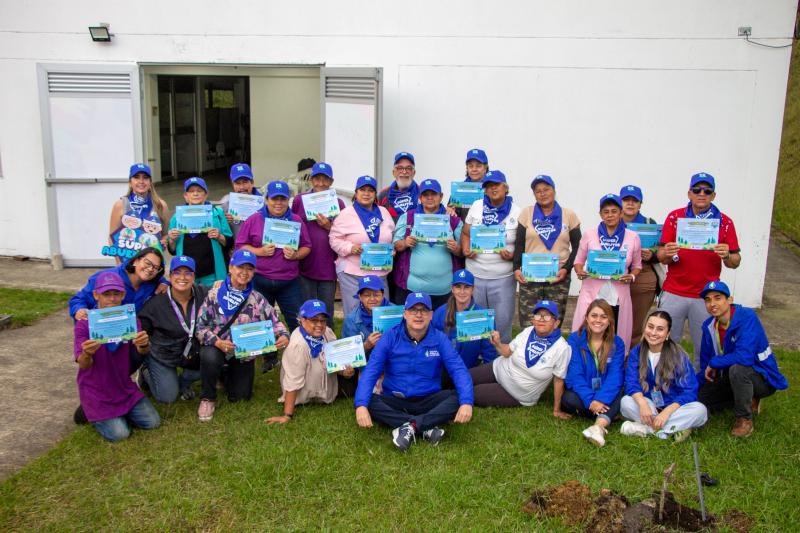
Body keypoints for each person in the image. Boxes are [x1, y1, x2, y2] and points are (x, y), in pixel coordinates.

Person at [354, 292, 474, 452]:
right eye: (413, 310)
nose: (418, 315)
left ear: (431, 315)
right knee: (369, 401)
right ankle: (426, 426)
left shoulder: (439, 338)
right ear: (405, 313)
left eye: (423, 310)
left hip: (428, 400)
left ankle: (409, 427)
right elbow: (371, 371)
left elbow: (458, 369)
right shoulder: (390, 337)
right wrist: (361, 405)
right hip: (396, 399)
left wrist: (466, 403)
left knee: (458, 397)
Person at [195, 249, 290, 422]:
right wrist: (217, 342)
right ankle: (208, 398)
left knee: (240, 397)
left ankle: (223, 376)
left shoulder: (257, 299)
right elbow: (199, 327)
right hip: (217, 348)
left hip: (243, 355)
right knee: (209, 357)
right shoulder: (214, 295)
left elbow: (276, 322)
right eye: (240, 267)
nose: (244, 273)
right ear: (230, 268)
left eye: (249, 269)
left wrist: (283, 335)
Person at [657, 172, 741, 362]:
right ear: (689, 193)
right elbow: (662, 257)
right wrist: (667, 253)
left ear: (713, 195)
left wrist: (727, 254)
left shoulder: (725, 222)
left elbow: (735, 261)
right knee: (666, 342)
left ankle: (703, 386)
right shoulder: (675, 217)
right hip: (674, 291)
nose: (701, 193)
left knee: (705, 345)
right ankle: (667, 383)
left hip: (706, 296)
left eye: (707, 190)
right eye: (697, 190)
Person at [72, 271, 160, 442]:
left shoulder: (130, 320)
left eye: (116, 294)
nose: (112, 299)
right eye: (106, 294)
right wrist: (87, 353)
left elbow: (141, 353)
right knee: (121, 434)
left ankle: (115, 414)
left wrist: (143, 344)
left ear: (123, 294)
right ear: (96, 295)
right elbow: (83, 364)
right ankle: (89, 410)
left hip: (123, 386)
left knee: (152, 422)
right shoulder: (84, 324)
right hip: (96, 389)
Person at [696, 281, 788, 437]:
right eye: (708, 300)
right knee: (701, 400)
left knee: (738, 369)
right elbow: (705, 362)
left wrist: (714, 363)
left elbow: (744, 357)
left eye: (717, 298)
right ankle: (745, 397)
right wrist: (695, 387)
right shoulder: (709, 326)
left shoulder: (747, 316)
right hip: (731, 376)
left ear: (729, 300)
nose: (712, 303)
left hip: (761, 378)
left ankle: (744, 419)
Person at [235, 180, 311, 333]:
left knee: (297, 321)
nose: (278, 203)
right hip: (260, 280)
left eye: (282, 199)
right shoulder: (254, 219)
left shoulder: (296, 220)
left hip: (289, 282)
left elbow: (307, 246)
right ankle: (270, 357)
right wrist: (259, 251)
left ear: (287, 200)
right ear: (266, 199)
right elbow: (240, 246)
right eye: (274, 199)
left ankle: (299, 353)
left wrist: (296, 255)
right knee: (261, 322)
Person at [620, 310, 708, 441]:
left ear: (668, 334)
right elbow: (631, 382)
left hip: (674, 408)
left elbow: (690, 390)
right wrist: (642, 403)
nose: (653, 333)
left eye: (660, 329)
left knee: (700, 411)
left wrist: (667, 412)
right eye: (650, 327)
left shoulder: (678, 355)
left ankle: (647, 429)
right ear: (645, 328)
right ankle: (670, 430)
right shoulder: (636, 352)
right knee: (625, 402)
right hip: (649, 405)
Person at [266, 300, 356, 424]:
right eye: (314, 320)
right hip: (307, 392)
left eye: (323, 320)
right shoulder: (298, 346)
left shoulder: (327, 332)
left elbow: (334, 360)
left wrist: (343, 371)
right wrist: (287, 415)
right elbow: (293, 381)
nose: (319, 324)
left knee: (356, 377)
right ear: (302, 320)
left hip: (327, 380)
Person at [572, 194, 642, 350]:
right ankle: (585, 363)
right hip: (593, 293)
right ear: (600, 214)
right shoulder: (590, 234)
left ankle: (613, 366)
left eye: (614, 211)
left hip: (618, 294)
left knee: (615, 334)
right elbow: (578, 261)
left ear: (621, 213)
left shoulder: (632, 237)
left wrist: (631, 275)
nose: (610, 215)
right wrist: (579, 271)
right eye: (606, 212)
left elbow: (637, 265)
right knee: (588, 333)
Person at [475, 300, 571, 413]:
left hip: (514, 392)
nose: (541, 319)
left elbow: (559, 380)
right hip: (498, 368)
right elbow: (507, 352)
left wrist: (556, 410)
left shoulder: (562, 348)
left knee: (472, 392)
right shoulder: (528, 331)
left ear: (556, 323)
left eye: (547, 316)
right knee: (463, 377)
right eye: (538, 315)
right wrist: (498, 343)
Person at [461, 170, 521, 343]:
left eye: (496, 184)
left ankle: (502, 361)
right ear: (484, 190)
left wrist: (512, 256)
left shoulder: (516, 212)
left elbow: (521, 244)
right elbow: (466, 233)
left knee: (502, 323)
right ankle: (478, 360)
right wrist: (466, 249)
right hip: (475, 275)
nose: (493, 188)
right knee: (476, 322)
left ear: (505, 187)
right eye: (488, 185)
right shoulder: (477, 206)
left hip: (503, 278)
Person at [138, 256, 207, 404]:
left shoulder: (204, 294)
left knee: (214, 360)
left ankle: (184, 381)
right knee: (167, 397)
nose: (182, 277)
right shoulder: (155, 304)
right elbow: (140, 329)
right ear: (170, 276)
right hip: (163, 355)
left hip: (192, 354)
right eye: (177, 272)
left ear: (194, 276)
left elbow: (227, 292)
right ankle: (146, 372)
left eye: (188, 273)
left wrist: (223, 284)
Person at [514, 174, 581, 324]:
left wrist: (567, 269)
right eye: (538, 191)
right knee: (529, 322)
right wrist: (516, 268)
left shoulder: (569, 215)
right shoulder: (527, 213)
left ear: (554, 191)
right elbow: (519, 245)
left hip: (558, 277)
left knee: (553, 322)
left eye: (546, 189)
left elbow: (578, 247)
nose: (542, 193)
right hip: (530, 277)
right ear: (534, 194)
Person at [562, 299, 625, 447]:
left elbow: (615, 376)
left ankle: (598, 426)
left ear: (610, 320)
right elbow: (574, 376)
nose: (598, 320)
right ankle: (607, 414)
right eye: (594, 315)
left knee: (621, 392)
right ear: (586, 318)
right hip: (583, 395)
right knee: (568, 398)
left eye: (603, 316)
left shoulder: (617, 342)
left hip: (605, 394)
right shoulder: (574, 339)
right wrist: (591, 400)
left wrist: (601, 399)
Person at [329, 175, 396, 316]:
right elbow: (334, 239)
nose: (366, 193)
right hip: (353, 274)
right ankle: (356, 338)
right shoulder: (346, 214)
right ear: (356, 193)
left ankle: (380, 339)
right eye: (362, 190)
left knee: (381, 315)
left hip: (380, 273)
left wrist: (391, 250)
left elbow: (391, 236)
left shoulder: (384, 212)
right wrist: (350, 248)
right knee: (356, 315)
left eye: (370, 190)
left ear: (375, 194)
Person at [291, 162, 345, 329]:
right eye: (317, 179)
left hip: (327, 266)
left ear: (331, 181)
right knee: (307, 310)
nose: (321, 183)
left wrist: (328, 226)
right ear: (311, 180)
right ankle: (307, 345)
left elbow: (343, 234)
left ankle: (327, 347)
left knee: (326, 311)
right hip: (305, 265)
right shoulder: (300, 200)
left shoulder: (339, 204)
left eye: (325, 179)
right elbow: (293, 227)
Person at [393, 178, 463, 308]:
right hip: (412, 288)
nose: (430, 198)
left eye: (434, 194)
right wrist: (405, 243)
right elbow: (396, 244)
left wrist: (455, 248)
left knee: (442, 325)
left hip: (444, 289)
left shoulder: (453, 220)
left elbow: (463, 251)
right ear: (420, 197)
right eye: (426, 194)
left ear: (441, 196)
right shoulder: (408, 217)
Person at [166, 177, 232, 286]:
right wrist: (172, 240)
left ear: (206, 194)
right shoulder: (177, 217)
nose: (195, 194)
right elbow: (172, 250)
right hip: (187, 277)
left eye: (199, 191)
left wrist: (219, 236)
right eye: (191, 191)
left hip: (212, 276)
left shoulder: (217, 213)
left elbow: (229, 242)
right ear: (186, 196)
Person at [69, 247, 167, 320]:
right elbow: (78, 299)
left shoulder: (152, 282)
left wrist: (165, 283)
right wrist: (78, 310)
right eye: (147, 263)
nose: (150, 269)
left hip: (128, 334)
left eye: (155, 267)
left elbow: (166, 279)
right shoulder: (106, 277)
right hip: (100, 329)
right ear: (136, 261)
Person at [619, 185, 660, 346]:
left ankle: (632, 364)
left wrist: (652, 254)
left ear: (640, 203)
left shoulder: (649, 223)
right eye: (626, 200)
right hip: (616, 276)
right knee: (612, 323)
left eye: (634, 200)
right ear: (620, 202)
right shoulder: (612, 221)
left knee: (635, 327)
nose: (630, 204)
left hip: (642, 277)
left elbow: (660, 250)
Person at [431, 269, 497, 369]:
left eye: (467, 287)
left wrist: (488, 372)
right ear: (452, 289)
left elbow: (489, 351)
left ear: (473, 289)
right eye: (458, 287)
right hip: (444, 368)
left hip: (470, 369)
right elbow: (432, 343)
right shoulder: (440, 312)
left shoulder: (482, 316)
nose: (462, 292)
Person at [106, 163, 168, 264]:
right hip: (128, 262)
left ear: (150, 182)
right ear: (130, 182)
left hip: (152, 265)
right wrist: (120, 264)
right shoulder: (120, 205)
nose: (141, 181)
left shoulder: (160, 205)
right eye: (136, 177)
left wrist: (164, 242)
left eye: (145, 178)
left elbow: (165, 235)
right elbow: (112, 238)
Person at [341, 275, 389, 357]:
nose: (372, 299)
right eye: (367, 295)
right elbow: (348, 354)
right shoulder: (351, 320)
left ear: (383, 294)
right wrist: (367, 345)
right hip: (367, 365)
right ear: (360, 297)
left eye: (376, 294)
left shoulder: (397, 313)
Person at [220, 162, 262, 244]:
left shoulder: (264, 204)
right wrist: (224, 222)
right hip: (238, 252)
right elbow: (224, 235)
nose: (242, 187)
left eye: (245, 182)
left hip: (261, 252)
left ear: (252, 182)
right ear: (232, 184)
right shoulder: (226, 206)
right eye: (237, 183)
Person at [377, 151, 419, 222]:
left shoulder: (422, 193)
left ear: (414, 172)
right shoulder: (383, 195)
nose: (404, 172)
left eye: (408, 168)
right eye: (400, 168)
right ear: (393, 172)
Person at [449, 148, 489, 221]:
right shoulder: (458, 190)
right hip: (464, 231)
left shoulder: (493, 189)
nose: (474, 169)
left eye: (478, 166)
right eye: (470, 166)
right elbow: (453, 217)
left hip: (486, 231)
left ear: (485, 168)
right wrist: (450, 211)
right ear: (467, 168)